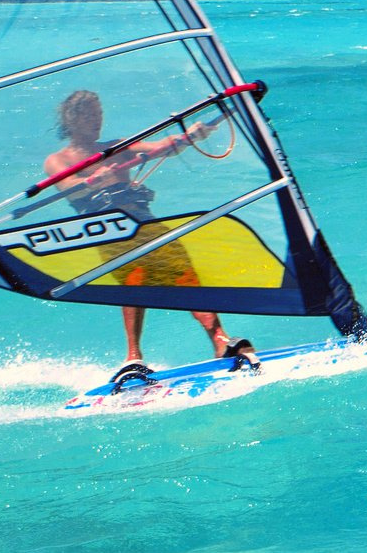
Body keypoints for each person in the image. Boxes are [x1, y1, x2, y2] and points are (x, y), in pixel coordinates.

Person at [43, 88, 255, 388]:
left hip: (145, 221)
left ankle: (220, 340)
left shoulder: (116, 147)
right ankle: (133, 356)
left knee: (186, 274)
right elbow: (69, 184)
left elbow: (161, 147)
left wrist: (191, 134)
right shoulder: (58, 159)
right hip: (110, 229)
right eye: (91, 115)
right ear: (73, 119)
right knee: (134, 284)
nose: (97, 120)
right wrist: (92, 179)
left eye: (100, 114)